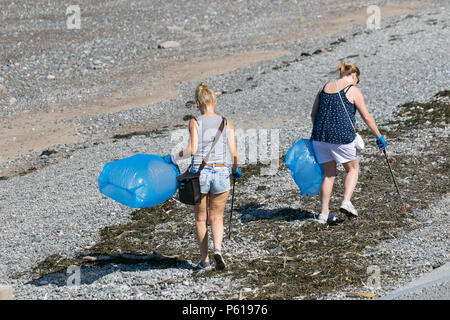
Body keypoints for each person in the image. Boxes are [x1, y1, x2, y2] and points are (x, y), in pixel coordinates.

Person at [163, 83, 241, 270]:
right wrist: (236, 169)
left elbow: (192, 150)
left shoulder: (195, 122)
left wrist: (172, 157)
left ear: (198, 103)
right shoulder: (226, 122)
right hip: (222, 171)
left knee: (200, 218)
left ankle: (205, 261)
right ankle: (218, 250)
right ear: (214, 101)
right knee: (217, 217)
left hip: (200, 174)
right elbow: (235, 153)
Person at [310, 61, 386, 224]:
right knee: (352, 169)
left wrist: (323, 132)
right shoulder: (352, 90)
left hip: (319, 137)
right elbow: (366, 117)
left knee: (329, 175)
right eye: (357, 80)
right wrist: (379, 136)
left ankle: (324, 214)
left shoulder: (324, 87)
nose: (356, 82)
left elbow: (313, 114)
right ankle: (346, 201)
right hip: (341, 137)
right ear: (353, 75)